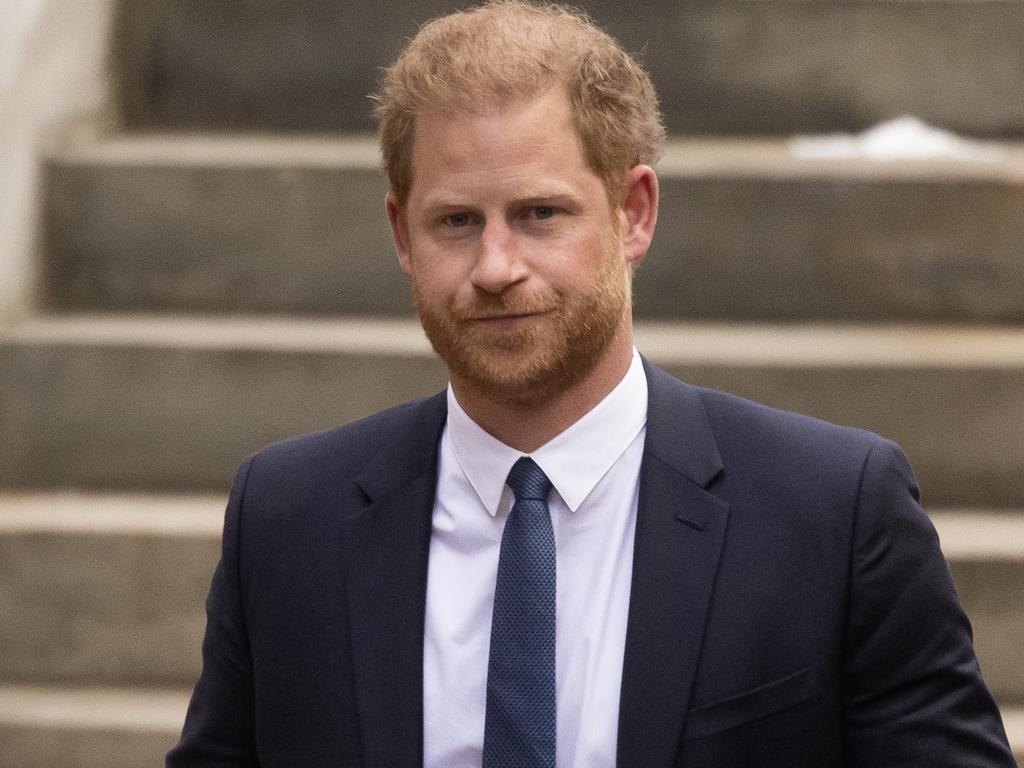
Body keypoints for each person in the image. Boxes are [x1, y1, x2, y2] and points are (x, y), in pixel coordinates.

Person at [167, 2, 1016, 766]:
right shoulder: (286, 519)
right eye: (457, 221)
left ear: (634, 212)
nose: (496, 267)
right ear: (401, 232)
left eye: (541, 214)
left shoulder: (833, 512)